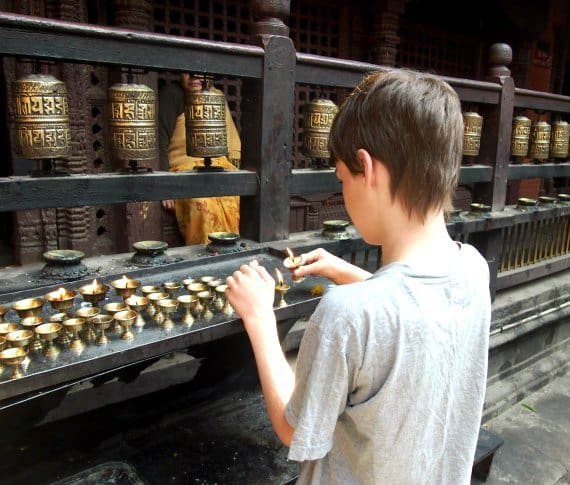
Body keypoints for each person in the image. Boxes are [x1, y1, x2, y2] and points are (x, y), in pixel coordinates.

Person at [225, 69, 492, 484]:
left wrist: (259, 317)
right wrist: (346, 270)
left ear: (365, 168)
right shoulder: (474, 268)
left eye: (341, 178)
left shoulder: (347, 314)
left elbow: (295, 430)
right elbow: (410, 309)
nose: (342, 191)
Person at [158, 73, 241, 245]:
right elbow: (160, 139)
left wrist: (236, 173)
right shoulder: (172, 95)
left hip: (218, 167)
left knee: (234, 198)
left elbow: (231, 139)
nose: (194, 78)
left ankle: (230, 254)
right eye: (188, 72)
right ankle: (207, 259)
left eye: (200, 73)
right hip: (183, 169)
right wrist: (163, 186)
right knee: (202, 204)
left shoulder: (216, 97)